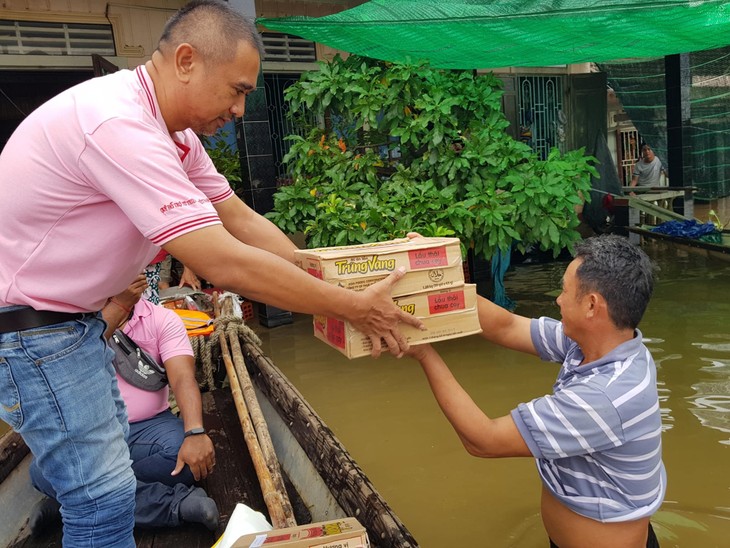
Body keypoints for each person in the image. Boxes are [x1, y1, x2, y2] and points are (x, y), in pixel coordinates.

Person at [0, 1, 422, 545]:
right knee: (100, 502)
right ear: (185, 60)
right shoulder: (119, 122)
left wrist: (339, 281)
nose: (242, 109)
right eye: (238, 89)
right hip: (35, 331)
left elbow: (241, 221)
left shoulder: (176, 137)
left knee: (107, 486)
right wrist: (352, 308)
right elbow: (220, 260)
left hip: (79, 326)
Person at [406, 235, 665, 548]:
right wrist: (435, 281)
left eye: (565, 291)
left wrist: (424, 354)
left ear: (592, 305)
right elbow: (507, 327)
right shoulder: (602, 345)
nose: (558, 299)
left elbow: (482, 439)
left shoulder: (604, 397)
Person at [28, 276, 219, 535]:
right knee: (40, 471)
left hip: (150, 429)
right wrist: (116, 308)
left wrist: (195, 431)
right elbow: (74, 361)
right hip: (89, 432)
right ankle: (175, 505)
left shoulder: (162, 320)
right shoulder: (73, 323)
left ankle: (71, 500)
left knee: (182, 458)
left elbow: (183, 377)